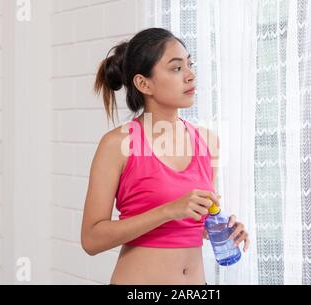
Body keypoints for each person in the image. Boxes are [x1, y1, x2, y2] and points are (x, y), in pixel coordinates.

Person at [81, 28, 249, 285]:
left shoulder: (208, 141)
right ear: (143, 83)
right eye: (176, 68)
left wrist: (219, 228)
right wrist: (168, 211)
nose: (191, 76)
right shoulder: (117, 144)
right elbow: (91, 239)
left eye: (190, 65)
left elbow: (191, 221)